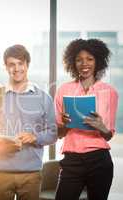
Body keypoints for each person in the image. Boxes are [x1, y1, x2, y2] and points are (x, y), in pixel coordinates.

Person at [0, 44, 57, 200]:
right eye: (11, 64)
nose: (16, 69)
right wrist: (3, 143)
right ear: (6, 67)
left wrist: (34, 137)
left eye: (20, 63)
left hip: (31, 174)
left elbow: (53, 134)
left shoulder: (44, 98)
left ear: (27, 65)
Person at [54, 39, 118, 200]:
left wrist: (101, 127)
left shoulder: (109, 92)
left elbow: (108, 135)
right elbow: (58, 133)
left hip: (99, 160)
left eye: (90, 59)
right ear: (73, 63)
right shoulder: (64, 90)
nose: (84, 63)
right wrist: (66, 125)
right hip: (72, 160)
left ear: (98, 61)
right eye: (79, 59)